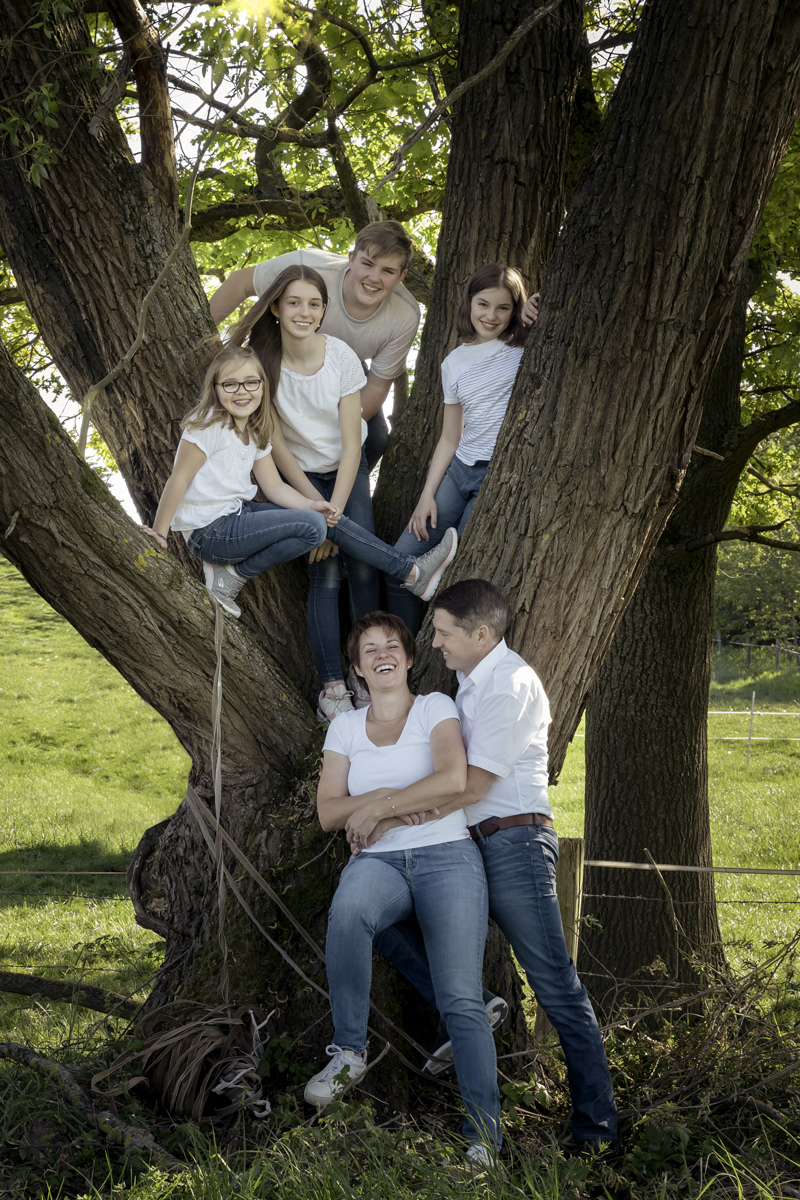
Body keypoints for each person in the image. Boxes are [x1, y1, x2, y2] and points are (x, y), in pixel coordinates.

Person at [368, 580, 619, 1157]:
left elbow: (472, 784)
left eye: (445, 633)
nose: (435, 644)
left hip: (514, 847)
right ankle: (470, 1003)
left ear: (482, 634)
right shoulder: (464, 687)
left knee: (555, 985)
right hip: (464, 845)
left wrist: (387, 814)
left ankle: (596, 1131)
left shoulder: (510, 684)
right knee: (374, 916)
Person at [305, 611, 502, 1164]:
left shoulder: (435, 707)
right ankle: (348, 1050)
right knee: (348, 914)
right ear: (357, 667)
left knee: (463, 1000)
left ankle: (484, 1141)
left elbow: (452, 779)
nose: (381, 654)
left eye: (392, 645)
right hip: (379, 864)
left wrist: (383, 807)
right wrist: (391, 806)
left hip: (448, 858)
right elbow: (328, 811)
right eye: (369, 649)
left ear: (410, 658)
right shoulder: (344, 727)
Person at [225, 265, 458, 718]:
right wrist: (315, 508)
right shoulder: (261, 363)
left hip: (346, 474)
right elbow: (279, 451)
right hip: (296, 480)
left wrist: (334, 510)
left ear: (324, 310)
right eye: (293, 302)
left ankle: (366, 676)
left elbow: (355, 442)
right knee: (325, 574)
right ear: (275, 307)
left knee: (364, 570)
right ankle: (333, 687)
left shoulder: (342, 357)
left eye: (314, 304)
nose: (304, 312)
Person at [141, 344, 337, 617]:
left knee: (315, 525)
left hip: (236, 514)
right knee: (313, 526)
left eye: (250, 383)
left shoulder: (255, 431)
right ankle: (232, 574)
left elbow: (274, 486)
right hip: (209, 531)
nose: (242, 391)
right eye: (230, 384)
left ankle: (229, 571)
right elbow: (180, 477)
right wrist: (159, 533)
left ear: (262, 386)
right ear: (216, 388)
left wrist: (311, 504)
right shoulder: (209, 423)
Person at [386, 265, 528, 634]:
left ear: (516, 310)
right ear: (468, 304)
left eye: (503, 308)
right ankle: (406, 651)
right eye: (483, 304)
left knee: (460, 568)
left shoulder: (526, 346)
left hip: (495, 474)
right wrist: (426, 496)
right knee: (401, 562)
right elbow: (450, 436)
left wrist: (536, 306)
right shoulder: (454, 362)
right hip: (459, 469)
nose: (491, 316)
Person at [209, 221, 419, 470]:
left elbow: (375, 386)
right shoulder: (309, 267)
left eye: (388, 271)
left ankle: (335, 489)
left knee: (373, 438)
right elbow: (240, 283)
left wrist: (322, 432)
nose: (374, 278)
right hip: (281, 354)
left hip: (341, 373)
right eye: (367, 264)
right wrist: (202, 340)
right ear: (351, 259)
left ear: (401, 276)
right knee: (255, 423)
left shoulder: (404, 315)